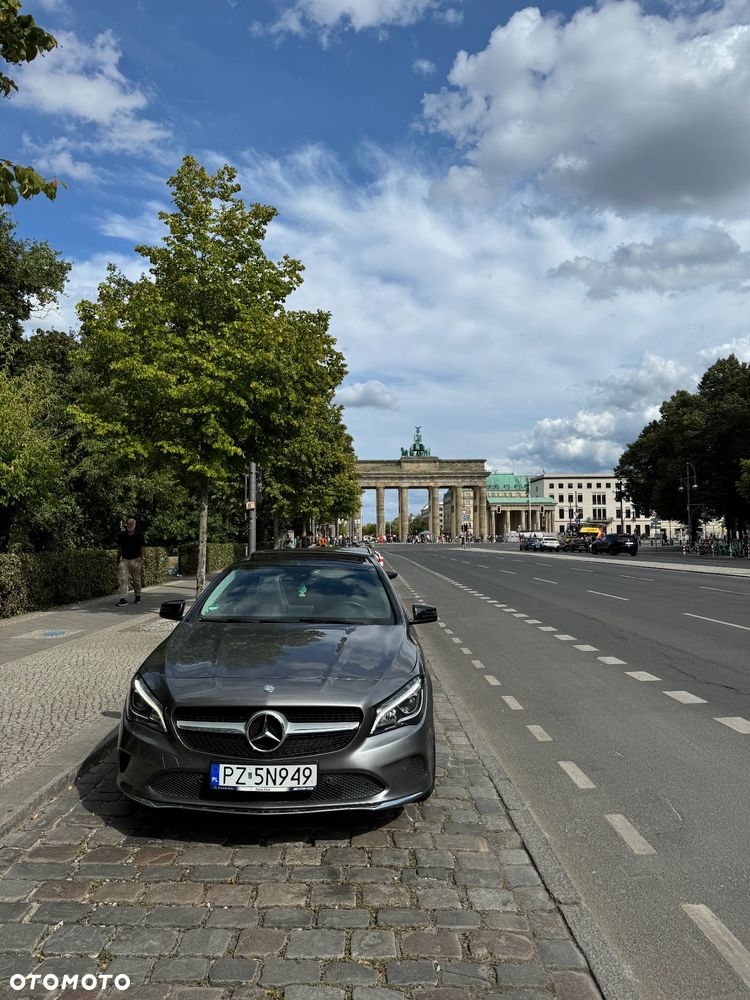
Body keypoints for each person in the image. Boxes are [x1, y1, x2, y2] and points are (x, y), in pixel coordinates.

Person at [116, 517, 145, 607]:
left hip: (135, 559)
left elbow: (142, 547)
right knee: (123, 579)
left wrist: (142, 559)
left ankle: (138, 595)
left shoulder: (139, 535)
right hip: (124, 560)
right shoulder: (122, 535)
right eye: (128, 524)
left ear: (135, 525)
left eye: (131, 524)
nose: (129, 525)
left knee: (136, 579)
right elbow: (119, 548)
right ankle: (123, 599)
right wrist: (118, 559)